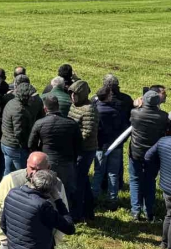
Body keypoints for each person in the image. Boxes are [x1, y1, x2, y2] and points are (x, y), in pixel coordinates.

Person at [28, 95, 82, 220]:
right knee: (66, 190)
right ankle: (67, 215)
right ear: (58, 107)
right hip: (66, 161)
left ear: (45, 109)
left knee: (44, 187)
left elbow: (31, 144)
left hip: (47, 162)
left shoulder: (40, 123)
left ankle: (44, 213)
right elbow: (79, 144)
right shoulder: (70, 123)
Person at [129, 90, 168, 221]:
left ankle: (135, 210)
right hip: (153, 154)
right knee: (150, 181)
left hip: (136, 152)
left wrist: (137, 105)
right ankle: (149, 211)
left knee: (135, 180)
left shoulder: (135, 113)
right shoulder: (163, 117)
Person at [67, 80, 99, 220]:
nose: (73, 96)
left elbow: (87, 132)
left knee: (78, 182)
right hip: (76, 148)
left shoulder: (89, 109)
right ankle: (88, 210)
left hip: (85, 150)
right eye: (71, 94)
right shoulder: (74, 105)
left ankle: (77, 214)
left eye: (76, 94)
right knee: (83, 179)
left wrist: (74, 142)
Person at [93, 84, 128, 206]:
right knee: (113, 173)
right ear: (107, 97)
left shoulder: (95, 110)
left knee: (98, 172)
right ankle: (112, 198)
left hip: (100, 146)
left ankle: (94, 196)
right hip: (115, 145)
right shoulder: (116, 111)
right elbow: (124, 127)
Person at [0, 81, 38, 175]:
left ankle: (5, 188)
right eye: (31, 96)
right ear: (25, 96)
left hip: (6, 143)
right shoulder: (19, 110)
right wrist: (27, 146)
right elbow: (19, 133)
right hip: (15, 147)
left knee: (8, 171)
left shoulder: (12, 102)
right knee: (22, 174)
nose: (33, 98)